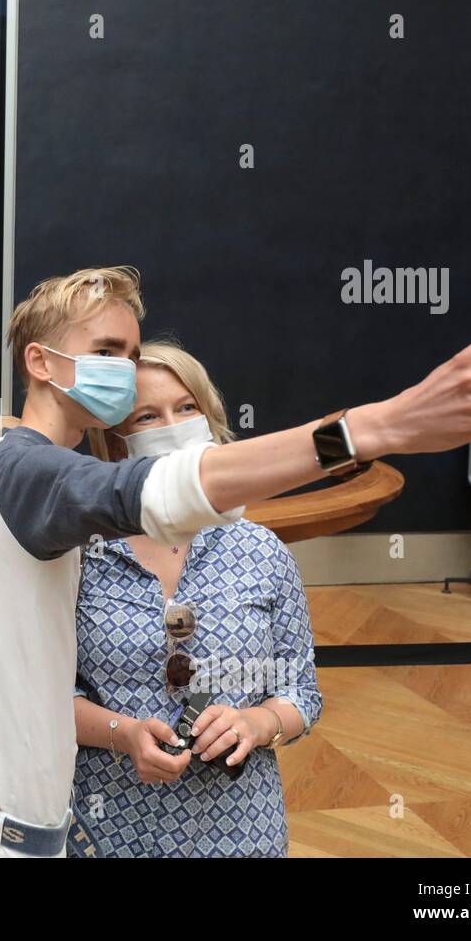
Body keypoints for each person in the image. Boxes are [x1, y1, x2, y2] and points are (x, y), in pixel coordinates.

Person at [0, 265, 471, 858]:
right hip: (3, 833)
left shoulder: (61, 498)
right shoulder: (23, 468)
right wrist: (370, 429)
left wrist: (260, 720)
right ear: (39, 361)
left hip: (56, 827)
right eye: (105, 353)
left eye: (129, 352)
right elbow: (148, 492)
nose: (122, 372)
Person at [72, 340, 320, 857]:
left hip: (241, 833)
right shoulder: (78, 558)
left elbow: (302, 692)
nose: (173, 425)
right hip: (108, 831)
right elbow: (41, 698)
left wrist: (258, 722)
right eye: (147, 416)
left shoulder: (262, 551)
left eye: (187, 408)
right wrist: (123, 732)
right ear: (116, 444)